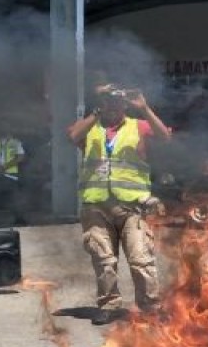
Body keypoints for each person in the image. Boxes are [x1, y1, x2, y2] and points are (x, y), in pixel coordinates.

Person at [67, 81, 171, 325]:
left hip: (133, 207)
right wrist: (97, 109)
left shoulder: (139, 126)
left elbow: (165, 136)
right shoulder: (91, 126)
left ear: (125, 105)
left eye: (116, 103)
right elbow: (73, 136)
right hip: (96, 206)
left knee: (140, 259)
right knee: (103, 259)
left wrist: (144, 108)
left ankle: (150, 308)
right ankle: (109, 305)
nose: (112, 107)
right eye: (107, 102)